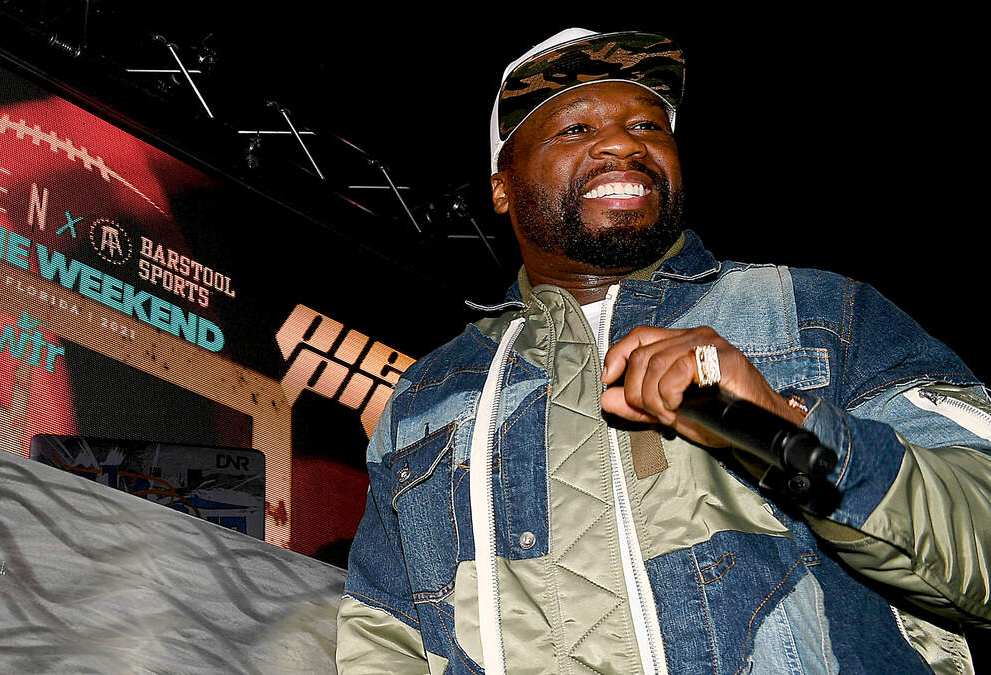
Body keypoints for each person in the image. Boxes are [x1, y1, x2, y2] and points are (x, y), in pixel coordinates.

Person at [336, 28, 991, 674]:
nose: (624, 144)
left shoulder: (818, 312)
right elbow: (382, 642)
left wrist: (780, 427)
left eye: (648, 126)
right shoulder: (430, 394)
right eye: (575, 129)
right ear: (501, 186)